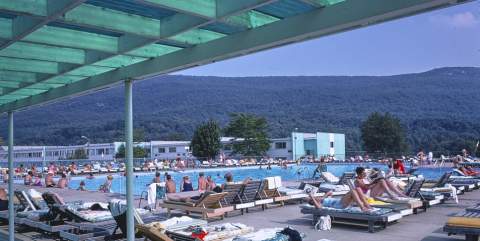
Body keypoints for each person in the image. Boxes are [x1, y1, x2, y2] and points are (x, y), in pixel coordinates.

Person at [308, 190, 372, 212]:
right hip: (339, 204)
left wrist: (328, 193)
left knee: (357, 189)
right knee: (352, 191)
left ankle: (367, 206)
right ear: (314, 201)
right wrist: (312, 197)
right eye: (316, 198)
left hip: (341, 202)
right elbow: (318, 207)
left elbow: (329, 193)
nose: (317, 197)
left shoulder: (323, 199)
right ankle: (363, 208)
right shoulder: (320, 204)